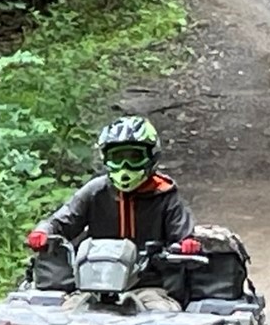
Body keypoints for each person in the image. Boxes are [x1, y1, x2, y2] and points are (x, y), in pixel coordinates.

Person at [25, 116, 200, 309]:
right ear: (106, 160)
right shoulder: (95, 191)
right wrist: (43, 232)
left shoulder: (165, 195)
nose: (125, 167)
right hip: (91, 284)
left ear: (151, 157)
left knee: (161, 313)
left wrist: (186, 244)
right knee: (67, 313)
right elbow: (62, 221)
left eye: (134, 157)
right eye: (117, 158)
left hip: (149, 285)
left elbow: (183, 234)